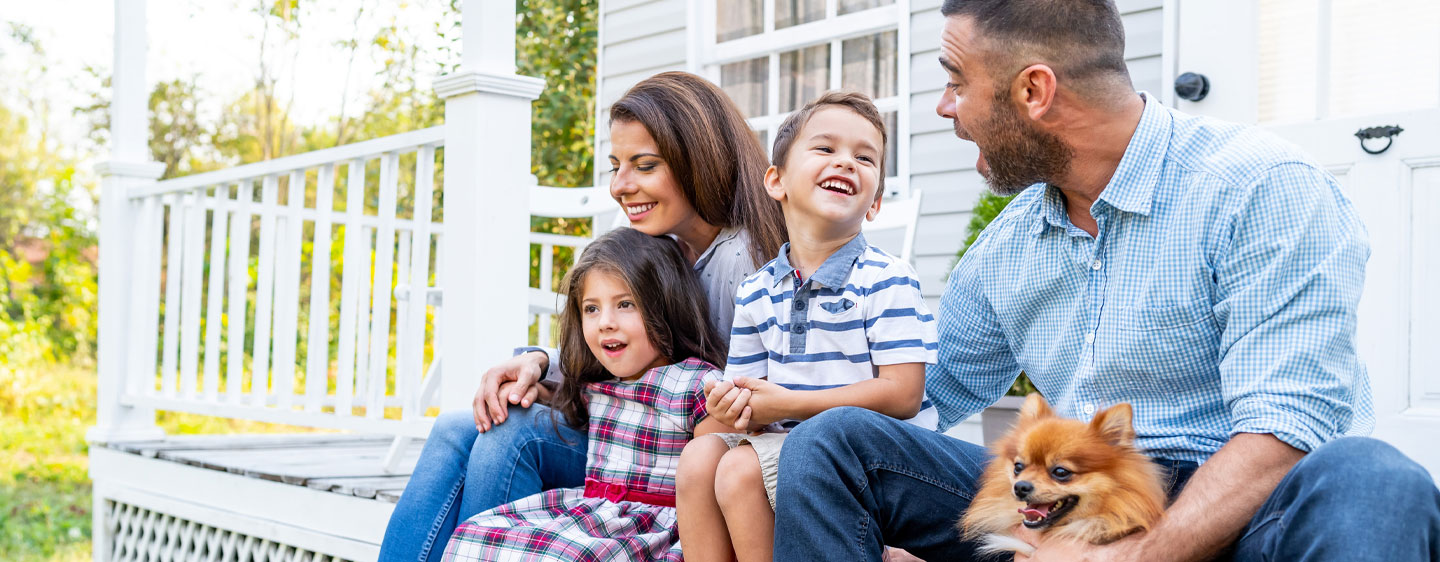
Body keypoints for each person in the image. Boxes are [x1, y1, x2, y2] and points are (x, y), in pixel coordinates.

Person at [769, 1, 1440, 561]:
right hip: (1066, 503)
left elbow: (1287, 428)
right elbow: (917, 393)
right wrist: (753, 423)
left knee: (1377, 482)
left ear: (1034, 91)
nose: (946, 107)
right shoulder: (1009, 246)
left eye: (956, 81)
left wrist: (1127, 556)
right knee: (835, 443)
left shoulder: (1258, 188)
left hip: (1236, 512)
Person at [379, 72, 787, 561]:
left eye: (644, 165)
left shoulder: (748, 262)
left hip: (674, 470)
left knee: (508, 438)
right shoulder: (658, 240)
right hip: (628, 441)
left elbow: (738, 406)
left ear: (697, 159)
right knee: (458, 427)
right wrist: (539, 362)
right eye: (616, 165)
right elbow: (625, 344)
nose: (620, 185)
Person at [676, 91, 938, 562]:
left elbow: (903, 394)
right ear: (776, 181)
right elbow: (749, 394)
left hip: (868, 458)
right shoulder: (757, 290)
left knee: (739, 470)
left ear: (875, 203)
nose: (846, 163)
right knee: (701, 454)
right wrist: (732, 404)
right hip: (788, 441)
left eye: (864, 157)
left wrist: (789, 403)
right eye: (825, 148)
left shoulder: (886, 278)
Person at [440, 227, 733, 561]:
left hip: (655, 531)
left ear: (665, 305)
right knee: (477, 535)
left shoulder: (698, 385)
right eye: (591, 309)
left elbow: (714, 494)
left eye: (625, 304)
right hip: (593, 515)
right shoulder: (602, 383)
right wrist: (536, 390)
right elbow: (575, 401)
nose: (605, 322)